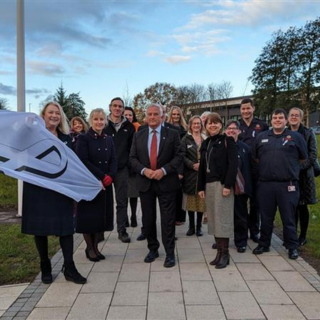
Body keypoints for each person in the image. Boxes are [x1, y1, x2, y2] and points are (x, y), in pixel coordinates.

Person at [21, 101, 86, 284]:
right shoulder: (32, 135)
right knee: (39, 229)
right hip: (38, 188)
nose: (54, 116)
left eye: (57, 113)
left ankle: (69, 267)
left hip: (60, 189)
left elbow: (71, 163)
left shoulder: (65, 138)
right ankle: (45, 266)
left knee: (66, 228)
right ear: (43, 114)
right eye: (51, 112)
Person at [129, 103, 183, 268]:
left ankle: (169, 253)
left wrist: (164, 170)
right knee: (148, 219)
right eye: (149, 114)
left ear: (162, 117)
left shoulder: (173, 134)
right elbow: (132, 158)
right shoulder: (139, 135)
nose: (152, 117)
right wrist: (144, 170)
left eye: (155, 114)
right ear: (145, 117)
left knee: (167, 220)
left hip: (166, 183)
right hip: (146, 183)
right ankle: (153, 249)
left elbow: (179, 155)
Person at [251, 108, 308, 260]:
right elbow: (255, 158)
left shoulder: (295, 137)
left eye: (280, 118)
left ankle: (292, 247)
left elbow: (303, 158)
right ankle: (264, 243)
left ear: (286, 120)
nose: (277, 120)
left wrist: (289, 168)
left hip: (287, 185)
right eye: (275, 117)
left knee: (288, 218)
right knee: (266, 217)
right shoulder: (262, 136)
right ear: (271, 120)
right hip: (266, 185)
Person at [76, 109, 117, 261]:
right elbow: (83, 160)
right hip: (90, 183)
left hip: (105, 184)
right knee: (89, 218)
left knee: (100, 217)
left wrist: (111, 176)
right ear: (90, 121)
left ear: (105, 121)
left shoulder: (108, 139)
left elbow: (114, 159)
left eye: (102, 119)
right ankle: (89, 248)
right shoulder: (83, 138)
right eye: (96, 119)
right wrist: (101, 176)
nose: (99, 122)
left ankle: (96, 247)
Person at [198, 113, 238, 269]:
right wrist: (200, 187)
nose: (212, 125)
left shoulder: (228, 141)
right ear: (205, 126)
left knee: (223, 220)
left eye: (216, 123)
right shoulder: (206, 142)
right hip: (209, 185)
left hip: (222, 186)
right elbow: (202, 167)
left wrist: (228, 185)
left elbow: (233, 164)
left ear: (221, 125)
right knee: (214, 220)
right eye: (209, 123)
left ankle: (225, 254)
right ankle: (219, 253)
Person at [104, 97, 135, 243]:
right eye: (115, 106)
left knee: (122, 201)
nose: (117, 108)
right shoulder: (103, 123)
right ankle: (99, 230)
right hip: (103, 169)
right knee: (102, 201)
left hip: (121, 169)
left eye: (120, 106)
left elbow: (132, 148)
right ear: (110, 107)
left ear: (123, 109)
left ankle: (122, 230)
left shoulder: (128, 126)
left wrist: (128, 164)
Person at [238, 98, 269, 243]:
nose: (245, 111)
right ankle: (241, 231)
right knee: (241, 203)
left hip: (257, 170)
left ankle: (254, 231)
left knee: (256, 202)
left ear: (253, 108)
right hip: (242, 170)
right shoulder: (237, 125)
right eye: (243, 109)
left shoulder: (262, 125)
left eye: (248, 108)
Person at [288, 107, 317, 246]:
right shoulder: (284, 132)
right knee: (291, 205)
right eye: (291, 115)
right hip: (289, 175)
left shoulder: (308, 133)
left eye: (296, 115)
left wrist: (297, 167)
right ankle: (292, 234)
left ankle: (303, 235)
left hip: (304, 175)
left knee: (302, 206)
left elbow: (312, 155)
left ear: (301, 118)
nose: (294, 117)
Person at [224, 120, 252, 253]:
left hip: (240, 188)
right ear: (225, 131)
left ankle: (241, 241)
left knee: (240, 215)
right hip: (223, 187)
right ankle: (222, 240)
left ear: (239, 131)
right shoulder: (220, 147)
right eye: (229, 128)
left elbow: (250, 168)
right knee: (223, 215)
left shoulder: (245, 148)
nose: (231, 131)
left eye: (234, 129)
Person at [181, 116, 206, 237]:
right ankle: (191, 227)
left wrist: (203, 164)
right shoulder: (186, 139)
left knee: (201, 201)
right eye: (194, 123)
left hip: (203, 174)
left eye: (199, 123)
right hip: (190, 174)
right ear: (190, 125)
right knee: (190, 201)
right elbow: (181, 156)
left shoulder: (205, 138)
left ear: (201, 125)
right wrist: (192, 165)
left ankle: (199, 227)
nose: (196, 125)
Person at [167, 106, 188, 226]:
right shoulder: (166, 128)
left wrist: (180, 170)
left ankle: (179, 217)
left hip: (180, 163)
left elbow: (182, 151)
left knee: (180, 192)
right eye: (173, 114)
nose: (175, 117)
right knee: (170, 193)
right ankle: (170, 216)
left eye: (178, 114)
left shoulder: (184, 130)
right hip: (168, 163)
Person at [124, 106, 140, 227]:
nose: (128, 117)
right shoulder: (118, 129)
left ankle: (133, 216)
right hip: (122, 166)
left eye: (130, 115)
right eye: (126, 115)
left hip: (134, 166)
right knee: (123, 194)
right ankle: (124, 217)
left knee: (133, 193)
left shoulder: (138, 129)